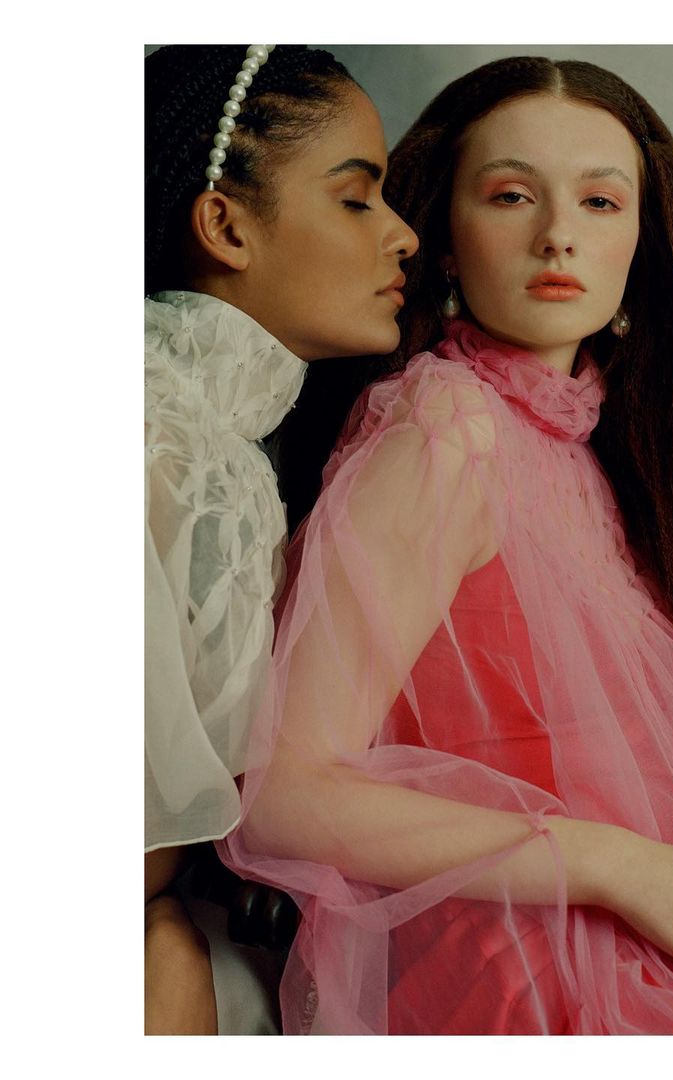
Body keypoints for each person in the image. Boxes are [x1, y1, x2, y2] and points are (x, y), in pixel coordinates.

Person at [219, 56, 673, 1035]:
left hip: (656, 898)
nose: (558, 233)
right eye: (511, 195)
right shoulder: (444, 429)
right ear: (443, 241)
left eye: (600, 202)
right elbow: (282, 796)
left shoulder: (579, 448)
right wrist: (614, 865)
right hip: (541, 953)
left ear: (643, 242)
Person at [144, 43, 417, 1033]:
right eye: (356, 199)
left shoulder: (223, 441)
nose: (403, 236)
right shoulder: (161, 432)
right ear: (225, 225)